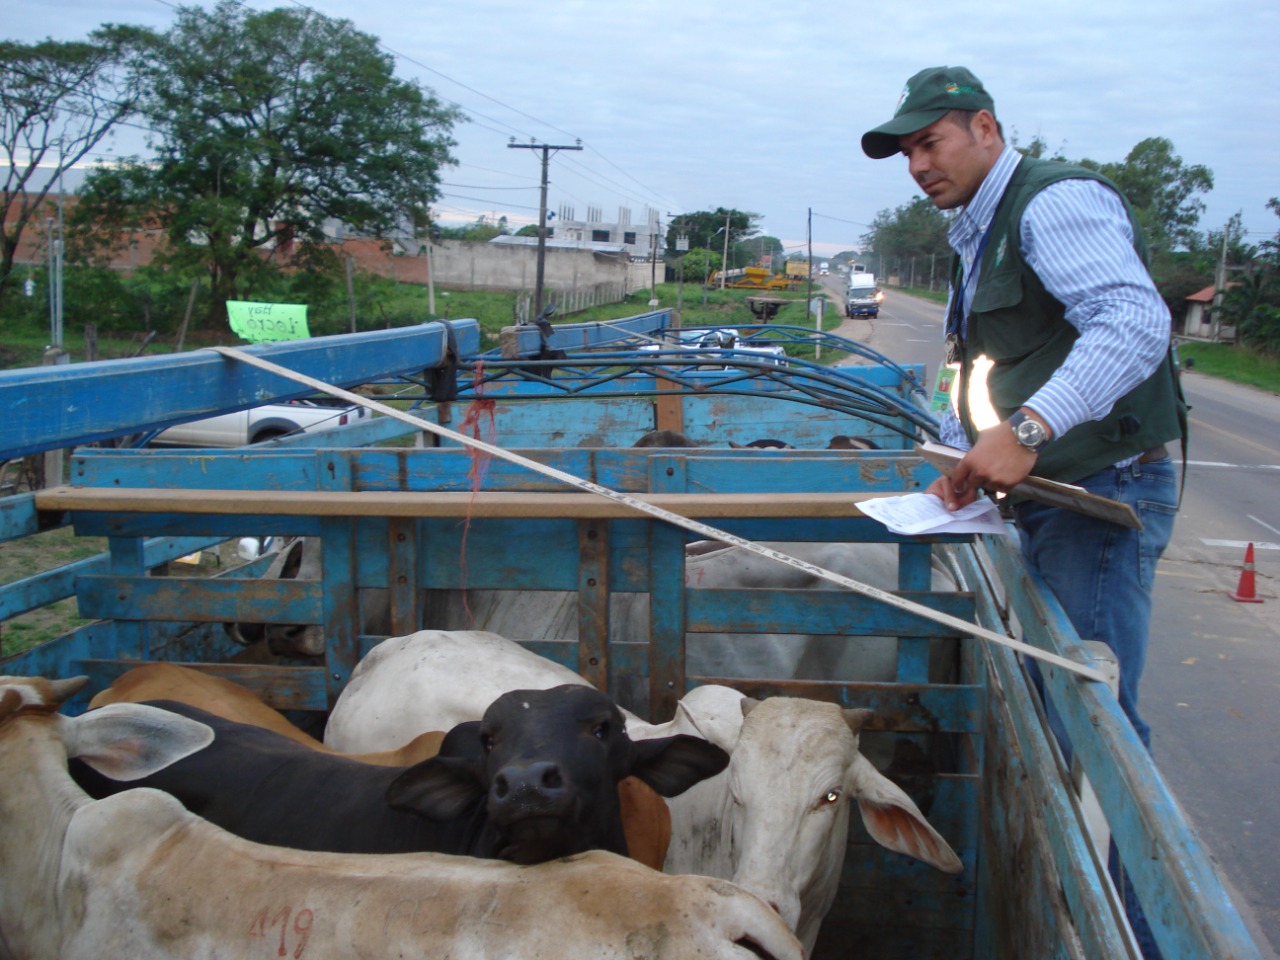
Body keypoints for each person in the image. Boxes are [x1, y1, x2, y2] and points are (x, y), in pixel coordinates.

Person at [861, 66, 1186, 957]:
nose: (918, 165)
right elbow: (983, 367)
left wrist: (1031, 429)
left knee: (1096, 724)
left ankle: (1143, 935)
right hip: (1048, 496)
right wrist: (958, 453)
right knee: (1060, 706)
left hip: (1102, 499)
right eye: (907, 151)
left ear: (987, 131)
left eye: (932, 142)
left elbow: (1130, 319)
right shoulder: (978, 234)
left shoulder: (1051, 201)